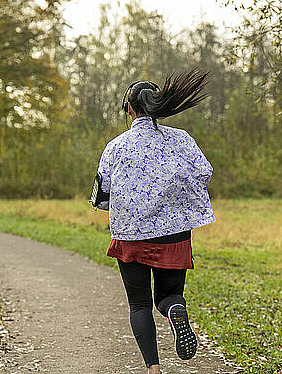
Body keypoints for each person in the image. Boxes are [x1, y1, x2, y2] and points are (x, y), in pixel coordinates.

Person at [92, 68, 216, 374]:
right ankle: (176, 309)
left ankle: (153, 368)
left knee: (139, 304)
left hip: (131, 236)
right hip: (174, 234)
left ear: (130, 109)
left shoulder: (116, 146)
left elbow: (101, 192)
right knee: (169, 295)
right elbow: (204, 172)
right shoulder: (181, 139)